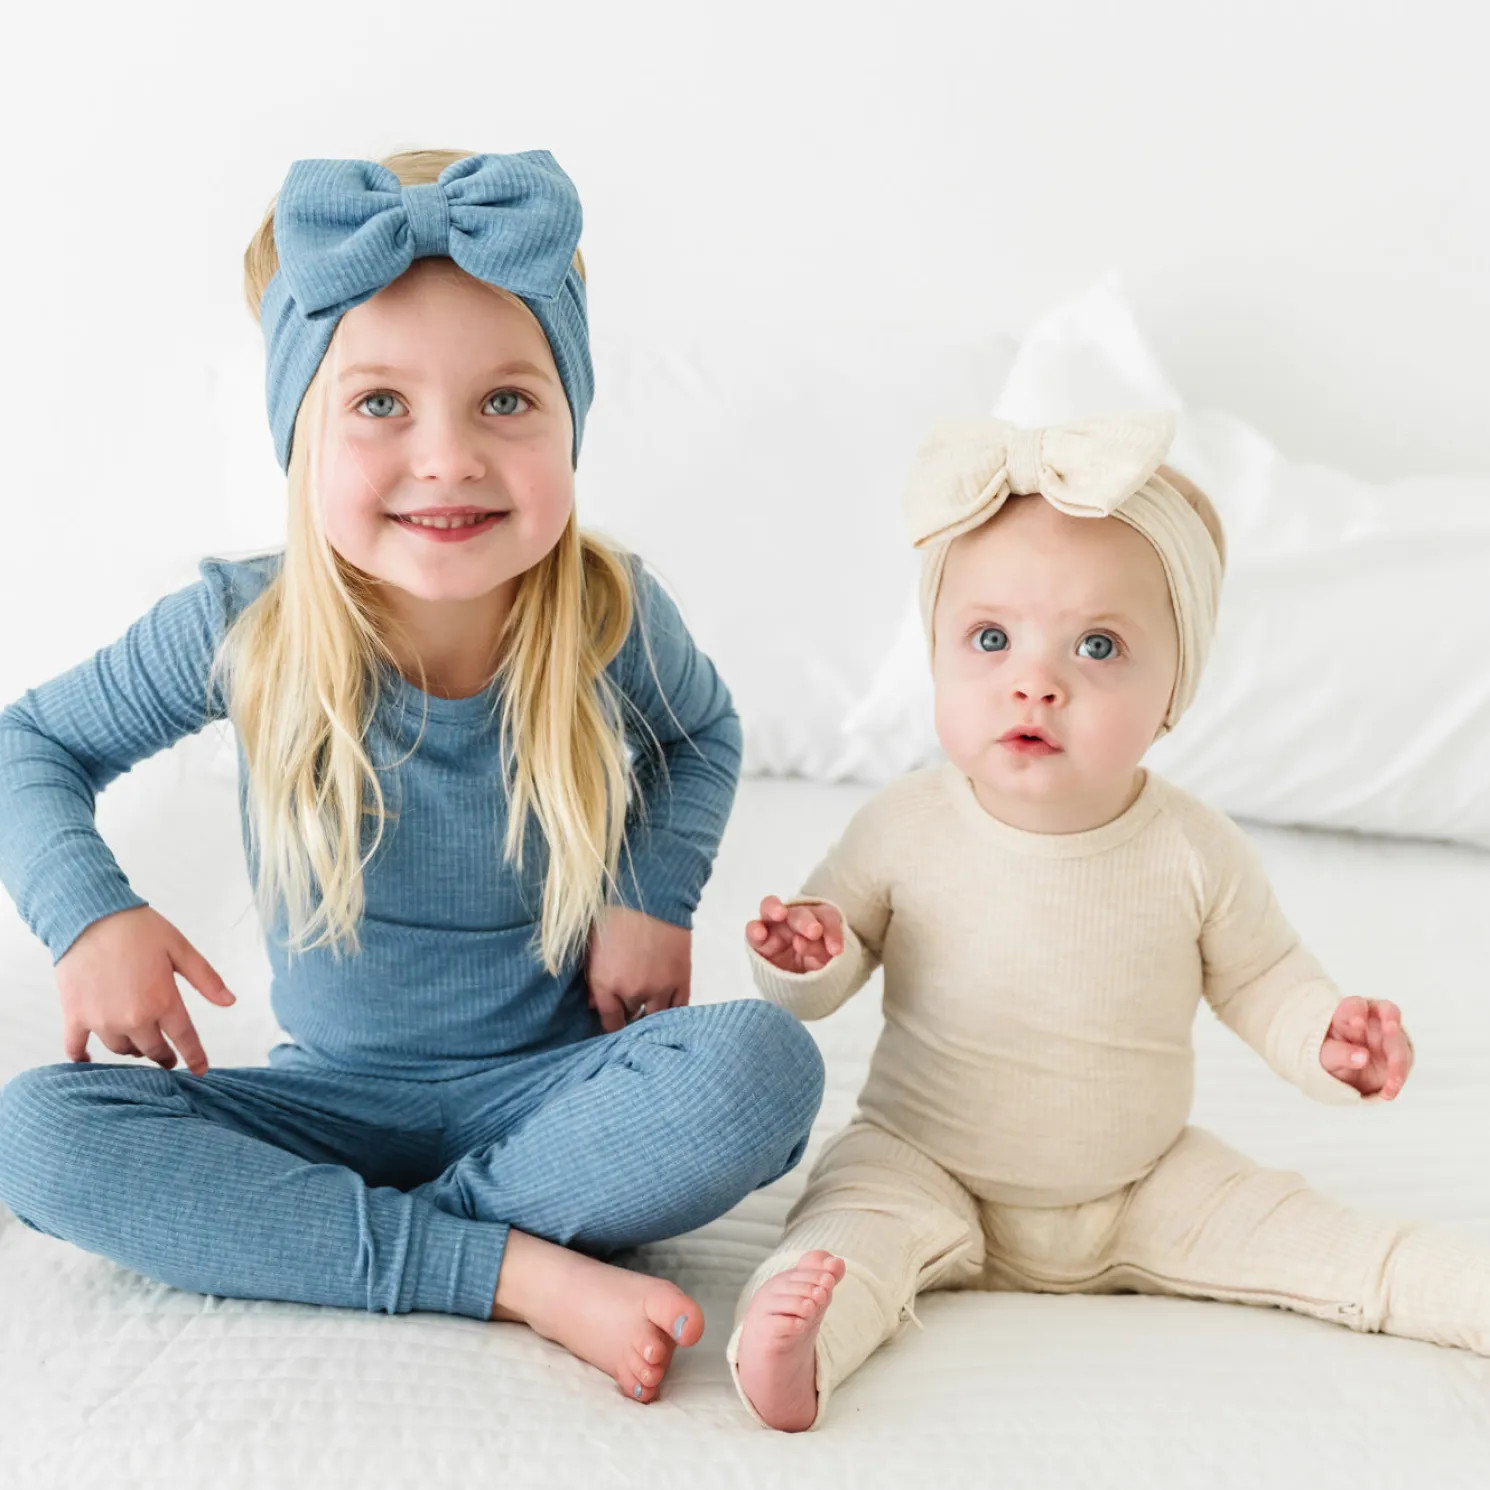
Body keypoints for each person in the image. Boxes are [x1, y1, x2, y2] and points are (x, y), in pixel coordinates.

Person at [0, 147, 823, 1406]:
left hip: (552, 1092)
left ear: (571, 420)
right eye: (380, 404)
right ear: (300, 435)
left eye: (506, 401)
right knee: (40, 1134)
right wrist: (90, 913)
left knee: (764, 1065)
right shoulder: (244, 622)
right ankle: (513, 1267)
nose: (447, 459)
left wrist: (650, 893)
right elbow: (30, 742)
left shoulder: (608, 616)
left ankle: (360, 1236)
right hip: (328, 1098)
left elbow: (698, 735)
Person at [728, 411, 1484, 1431]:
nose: (1035, 679)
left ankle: (1457, 1289)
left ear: (1175, 688)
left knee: (1329, 1236)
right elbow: (834, 959)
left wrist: (1325, 1042)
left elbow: (1263, 980)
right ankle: (791, 1348)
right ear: (937, 657)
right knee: (841, 1235)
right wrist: (803, 952)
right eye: (989, 637)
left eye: (1097, 644)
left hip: (1141, 1177)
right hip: (924, 1157)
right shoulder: (901, 822)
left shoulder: (1190, 845)